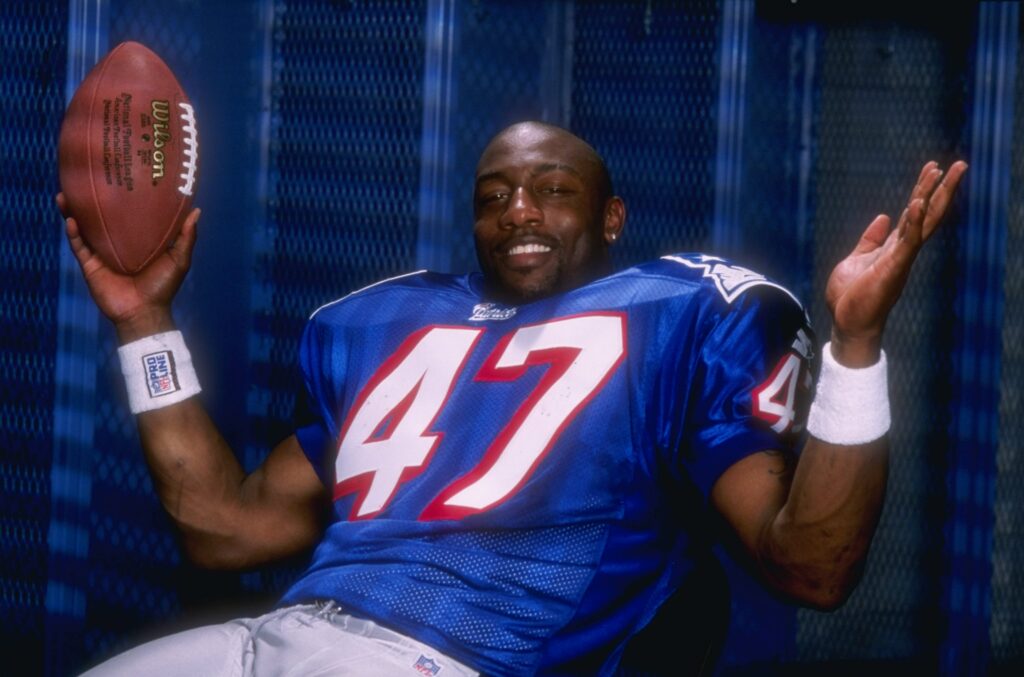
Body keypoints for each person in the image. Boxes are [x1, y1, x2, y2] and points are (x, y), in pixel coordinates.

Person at [62, 121, 966, 676]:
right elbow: (224, 526)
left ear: (612, 216)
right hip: (264, 639)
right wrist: (145, 321)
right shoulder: (384, 322)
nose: (520, 210)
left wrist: (855, 345)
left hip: (442, 656)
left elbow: (811, 565)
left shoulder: (683, 312)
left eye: (553, 190)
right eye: (495, 195)